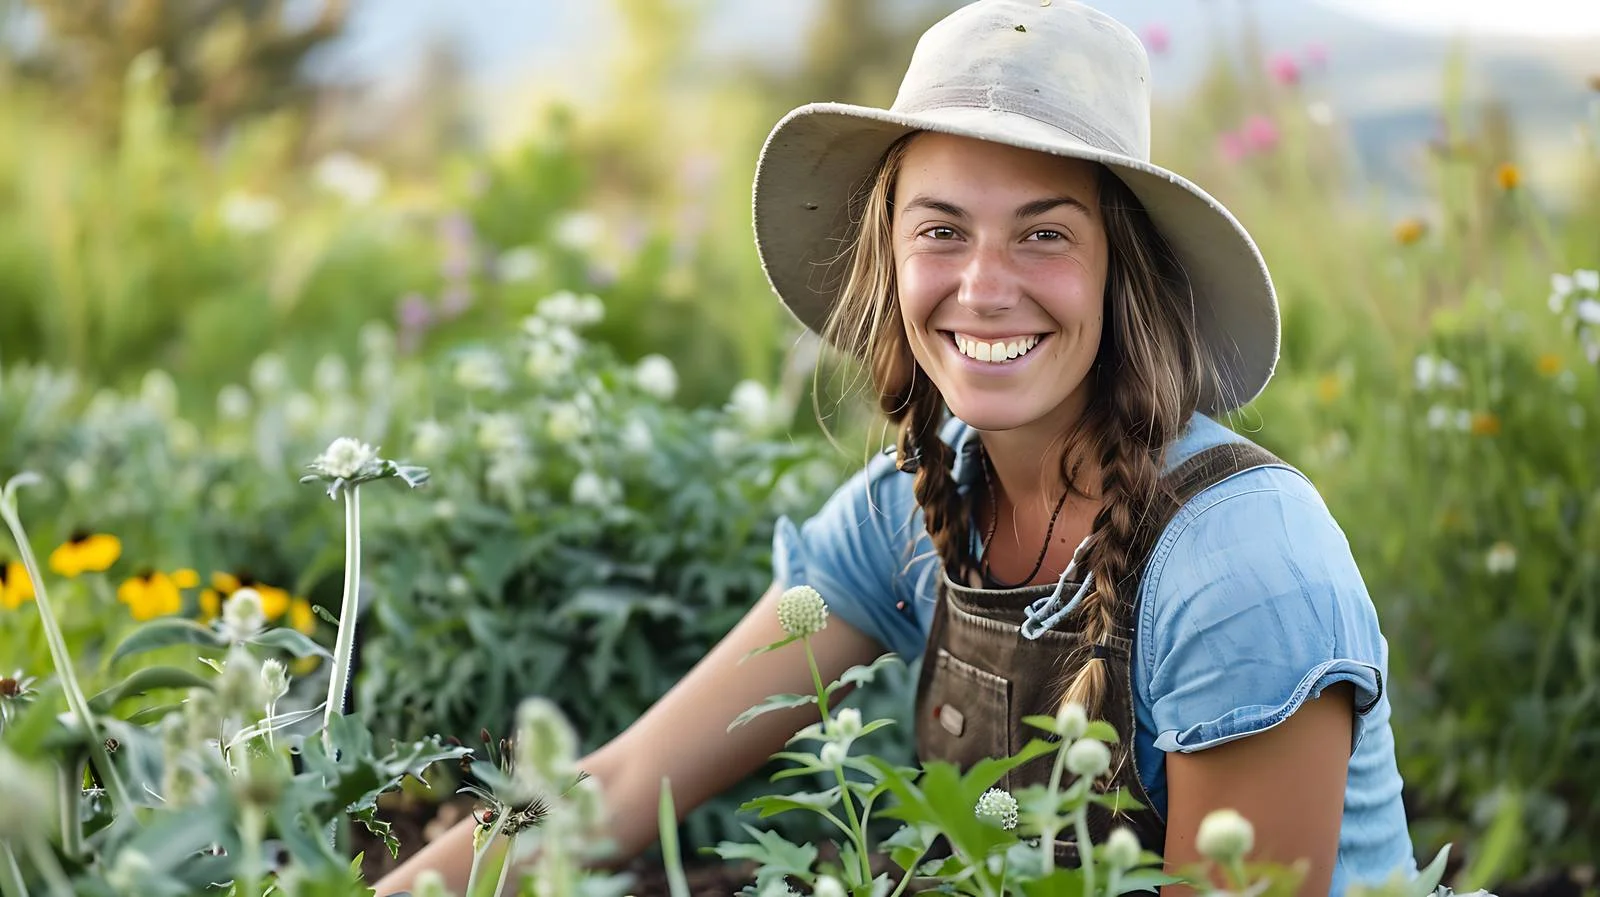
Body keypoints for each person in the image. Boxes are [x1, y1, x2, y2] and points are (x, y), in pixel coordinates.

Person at [377, 1, 1417, 894]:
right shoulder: (918, 509)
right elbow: (619, 784)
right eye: (941, 231)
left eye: (1043, 233)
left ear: (1120, 272)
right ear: (891, 257)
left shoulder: (1240, 567)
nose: (983, 286)